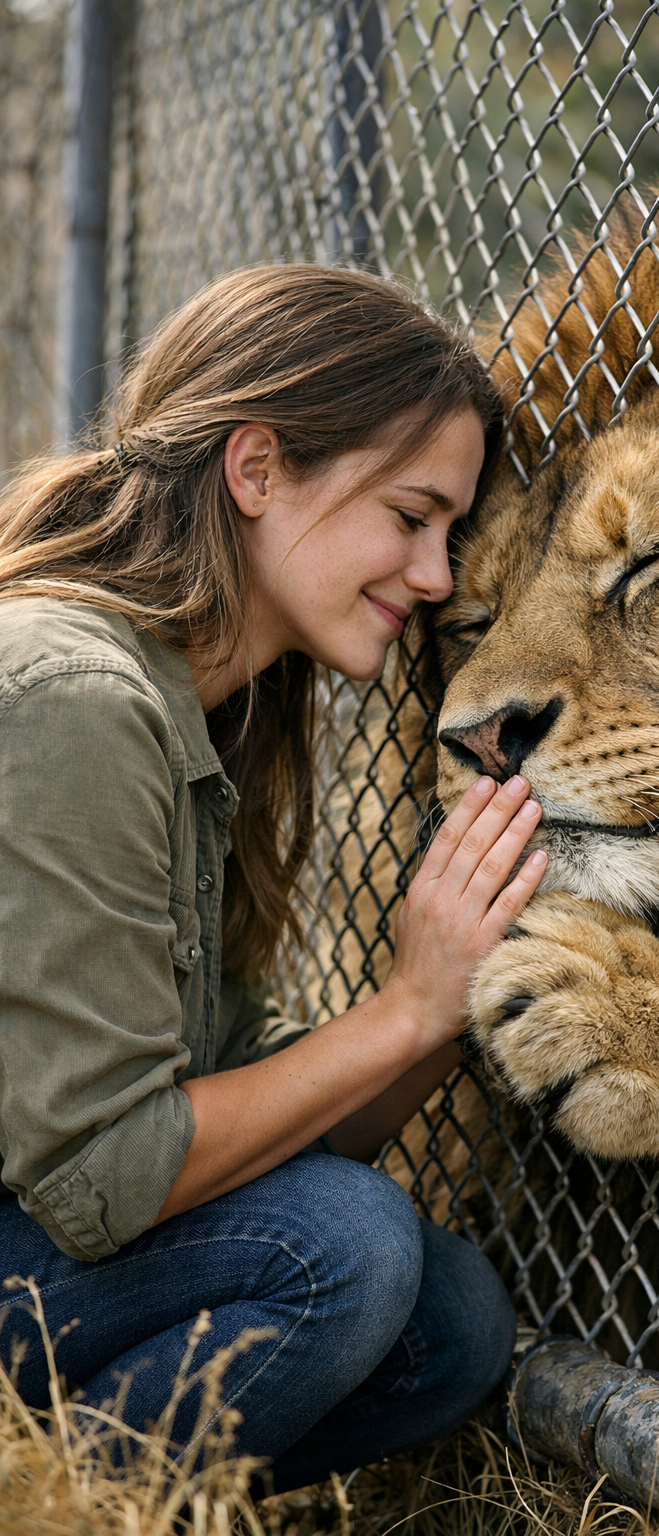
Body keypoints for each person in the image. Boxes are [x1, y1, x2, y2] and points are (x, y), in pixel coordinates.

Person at [0, 266, 548, 1487]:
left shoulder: (210, 713)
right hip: (47, 1223)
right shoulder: (74, 699)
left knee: (445, 1319)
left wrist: (452, 989)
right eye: (411, 517)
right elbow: (110, 1181)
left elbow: (255, 1101)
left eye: (452, 535)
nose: (439, 578)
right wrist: (401, 1007)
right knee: (341, 1251)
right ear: (257, 471)